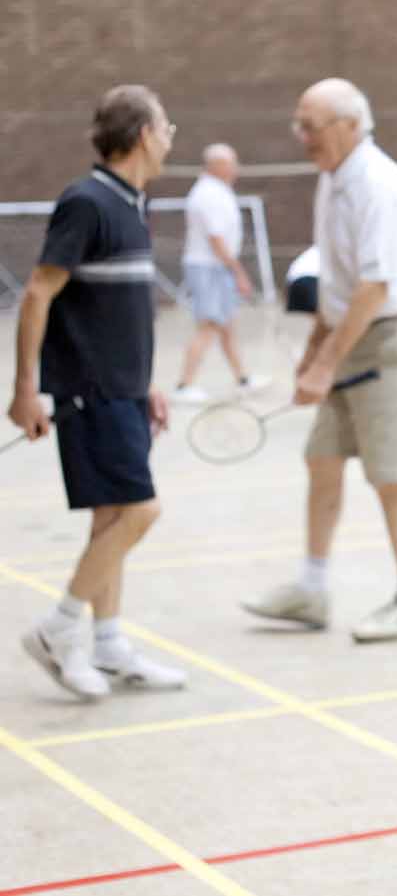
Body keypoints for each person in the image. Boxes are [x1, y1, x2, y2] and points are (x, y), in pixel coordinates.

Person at [241, 78, 397, 644]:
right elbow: (338, 280)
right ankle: (311, 588)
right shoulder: (332, 181)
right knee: (321, 458)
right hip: (349, 332)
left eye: (311, 126)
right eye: (298, 125)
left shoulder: (379, 185)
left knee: (390, 476)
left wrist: (326, 364)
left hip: (390, 339)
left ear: (351, 126)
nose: (302, 137)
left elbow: (374, 288)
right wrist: (313, 354)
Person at [8, 84, 186, 699]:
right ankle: (59, 630)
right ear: (142, 133)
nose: (169, 138)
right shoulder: (86, 202)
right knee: (141, 511)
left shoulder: (133, 206)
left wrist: (148, 384)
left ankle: (109, 646)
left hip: (126, 390)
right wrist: (25, 389)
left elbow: (117, 311)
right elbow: (38, 292)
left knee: (112, 517)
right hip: (90, 390)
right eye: (166, 127)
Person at [172, 143, 270, 404]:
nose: (236, 168)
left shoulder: (218, 191)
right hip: (210, 267)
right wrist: (238, 272)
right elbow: (216, 240)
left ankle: (242, 378)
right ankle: (184, 384)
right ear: (216, 165)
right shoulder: (208, 195)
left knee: (227, 326)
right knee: (209, 324)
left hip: (217, 266)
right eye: (231, 163)